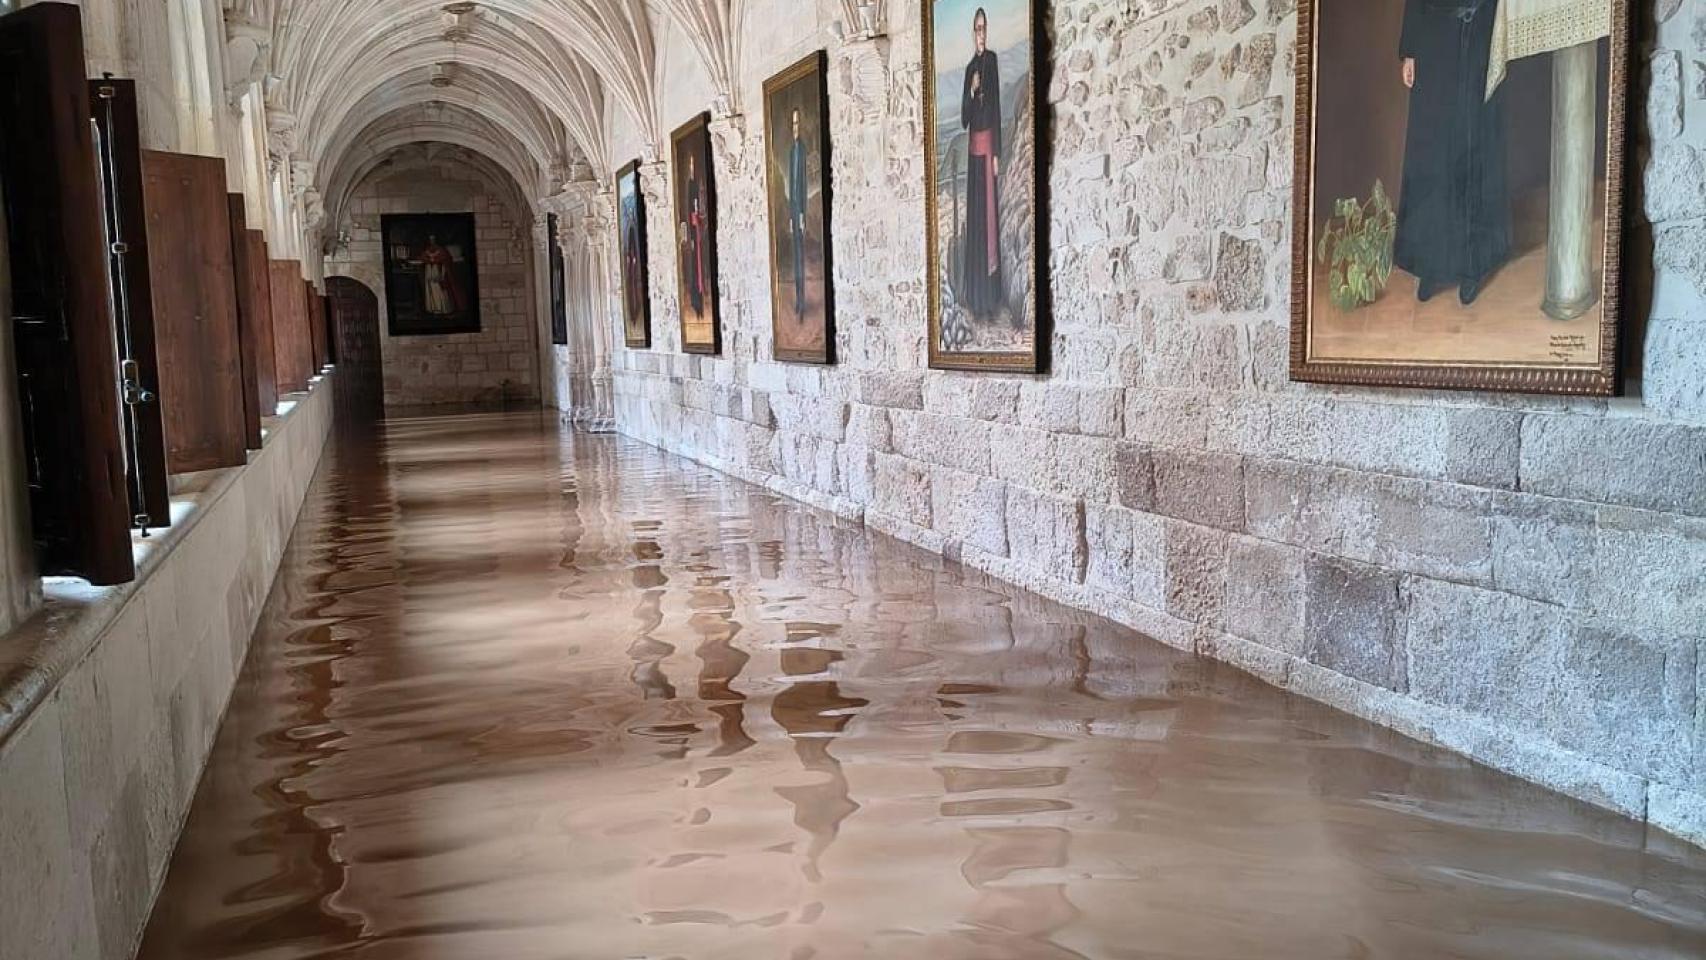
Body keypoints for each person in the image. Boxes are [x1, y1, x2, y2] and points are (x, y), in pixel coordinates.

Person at [1394, 0, 1512, 306]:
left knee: (1470, 149)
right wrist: (1410, 51)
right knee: (1431, 152)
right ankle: (1429, 263)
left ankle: (1471, 266)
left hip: (1475, 39)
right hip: (1434, 42)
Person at [959, 6, 1004, 320]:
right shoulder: (968, 70)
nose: (981, 34)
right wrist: (972, 91)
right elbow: (963, 118)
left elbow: (998, 107)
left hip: (989, 150)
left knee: (989, 223)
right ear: (972, 33)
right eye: (977, 29)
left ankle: (991, 299)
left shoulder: (992, 61)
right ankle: (975, 299)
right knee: (975, 222)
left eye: (983, 28)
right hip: (973, 150)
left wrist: (998, 153)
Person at [787, 107, 809, 320]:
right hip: (793, 212)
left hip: (801, 212)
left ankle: (802, 302)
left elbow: (803, 185)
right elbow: (790, 189)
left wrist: (802, 215)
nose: (795, 128)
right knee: (795, 260)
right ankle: (797, 299)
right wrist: (790, 217)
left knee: (801, 258)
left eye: (798, 124)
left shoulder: (802, 150)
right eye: (792, 124)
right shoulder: (790, 152)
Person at [683, 155, 707, 318]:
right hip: (693, 236)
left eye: (693, 166)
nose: (692, 169)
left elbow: (701, 211)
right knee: (694, 269)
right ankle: (695, 302)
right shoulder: (689, 187)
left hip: (699, 235)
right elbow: (688, 213)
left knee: (700, 268)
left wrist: (699, 220)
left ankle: (701, 301)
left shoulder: (698, 186)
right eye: (689, 166)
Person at [419, 235, 460, 317]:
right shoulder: (427, 250)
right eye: (430, 240)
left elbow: (446, 259)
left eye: (433, 239)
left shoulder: (441, 250)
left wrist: (441, 272)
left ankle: (443, 309)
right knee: (431, 289)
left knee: (440, 290)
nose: (432, 241)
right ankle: (434, 309)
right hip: (429, 272)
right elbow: (423, 257)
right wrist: (430, 260)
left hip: (439, 271)